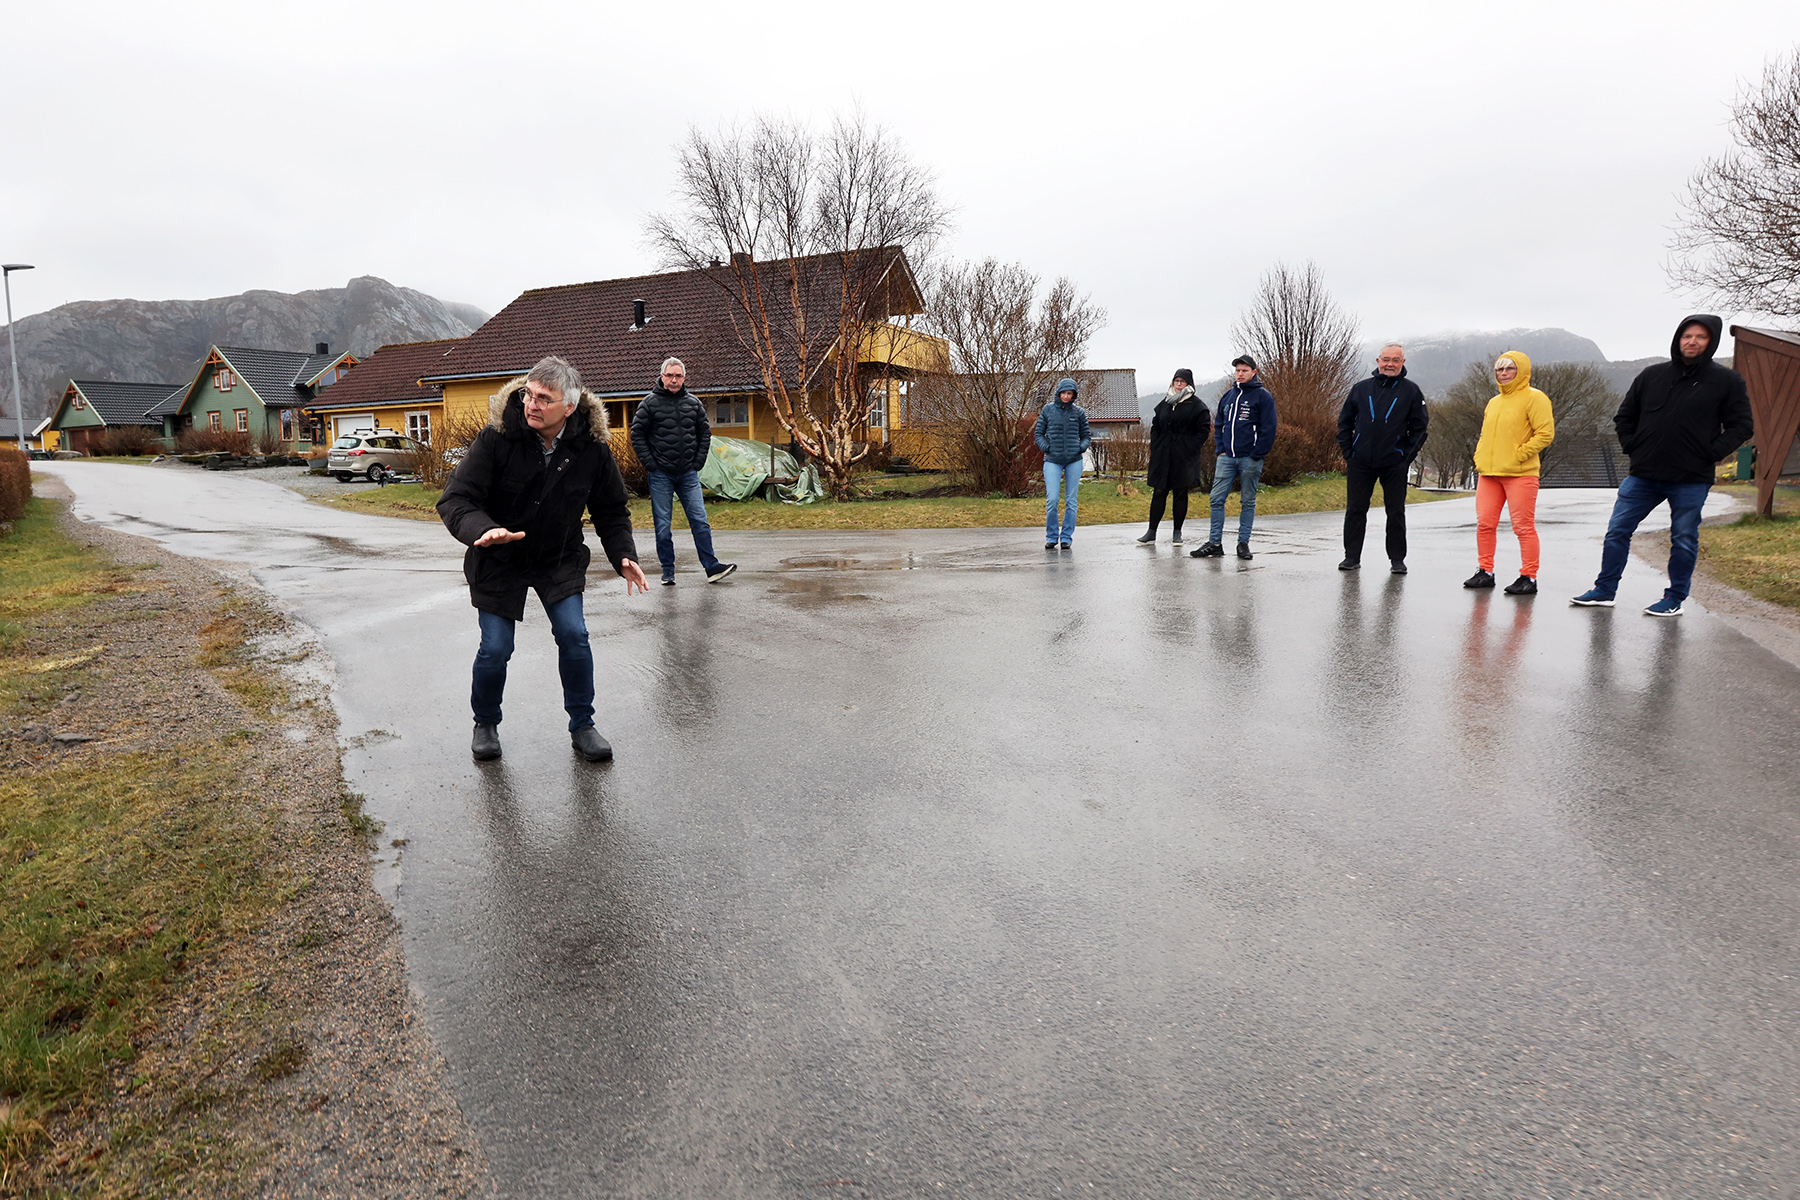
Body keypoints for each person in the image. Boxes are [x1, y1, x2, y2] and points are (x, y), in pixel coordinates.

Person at [437, 356, 649, 763]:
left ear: (568, 407)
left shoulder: (591, 450)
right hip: (499, 558)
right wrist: (483, 530)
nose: (532, 405)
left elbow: (611, 510)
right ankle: (485, 723)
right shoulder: (496, 439)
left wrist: (624, 555)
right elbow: (456, 500)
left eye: (544, 399)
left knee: (574, 636)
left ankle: (583, 726)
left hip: (559, 558)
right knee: (495, 648)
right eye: (528, 395)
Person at [1572, 315, 1753, 616]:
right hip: (1644, 474)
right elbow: (1624, 417)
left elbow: (1742, 425)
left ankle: (1674, 598)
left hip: (1691, 478)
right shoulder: (1651, 375)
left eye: (1700, 337)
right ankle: (1604, 589)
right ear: (1678, 339)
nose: (1692, 341)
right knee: (1617, 530)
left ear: (1712, 342)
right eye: (1686, 336)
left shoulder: (1727, 381)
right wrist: (1632, 446)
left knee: (1682, 537)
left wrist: (1711, 453)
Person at [631, 356, 736, 586]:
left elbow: (704, 434)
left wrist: (697, 462)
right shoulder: (649, 403)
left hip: (688, 473)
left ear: (684, 378)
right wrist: (651, 464)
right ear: (661, 377)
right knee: (662, 525)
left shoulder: (693, 404)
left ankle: (711, 567)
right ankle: (668, 570)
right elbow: (637, 434)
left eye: (678, 376)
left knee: (700, 520)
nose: (674, 380)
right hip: (660, 475)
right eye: (669, 375)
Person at [1466, 350, 1555, 595]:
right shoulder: (1493, 402)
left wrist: (1520, 454)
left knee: (1523, 527)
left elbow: (1545, 434)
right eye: (1499, 369)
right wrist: (1479, 456)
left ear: (1522, 371)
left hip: (1521, 474)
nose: (1503, 373)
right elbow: (1485, 435)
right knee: (1484, 524)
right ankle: (1485, 572)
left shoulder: (1535, 398)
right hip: (1489, 474)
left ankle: (1529, 576)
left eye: (1509, 368)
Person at [1336, 343, 1429, 574]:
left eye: (1395, 360)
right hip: (1361, 461)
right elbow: (1344, 424)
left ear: (1402, 363)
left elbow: (1420, 429)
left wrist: (1405, 457)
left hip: (1394, 462)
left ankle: (1397, 559)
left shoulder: (1412, 391)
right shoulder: (1360, 389)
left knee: (1395, 511)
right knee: (1356, 509)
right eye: (1386, 359)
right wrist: (1349, 453)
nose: (1390, 364)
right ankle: (1351, 557)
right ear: (1378, 361)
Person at [1191, 355, 1276, 560]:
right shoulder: (1228, 396)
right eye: (1237, 370)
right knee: (1216, 499)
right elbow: (1219, 423)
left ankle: (1243, 543)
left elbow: (1269, 427)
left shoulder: (1263, 396)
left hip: (1250, 458)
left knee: (1247, 501)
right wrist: (1220, 448)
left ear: (1253, 372)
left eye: (1244, 370)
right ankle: (1215, 543)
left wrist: (1258, 453)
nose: (1240, 374)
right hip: (1226, 458)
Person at [1137, 368, 1210, 545]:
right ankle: (1151, 531)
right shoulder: (1165, 402)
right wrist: (1155, 444)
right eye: (1176, 381)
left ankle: (1177, 533)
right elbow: (1155, 426)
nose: (1178, 385)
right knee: (1159, 491)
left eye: (1182, 382)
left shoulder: (1197, 405)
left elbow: (1204, 430)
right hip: (1162, 454)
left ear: (1188, 384)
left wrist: (1191, 448)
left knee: (1180, 492)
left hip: (1183, 457)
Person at [1035, 377, 1091, 550]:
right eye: (1064, 393)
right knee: (1052, 500)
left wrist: (1079, 448)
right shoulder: (1048, 410)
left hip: (1074, 461)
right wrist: (1047, 447)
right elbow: (1038, 434)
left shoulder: (1079, 413)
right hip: (1052, 460)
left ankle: (1066, 537)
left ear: (1074, 395)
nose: (1066, 396)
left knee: (1071, 501)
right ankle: (1052, 537)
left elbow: (1087, 436)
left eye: (1070, 394)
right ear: (1058, 393)